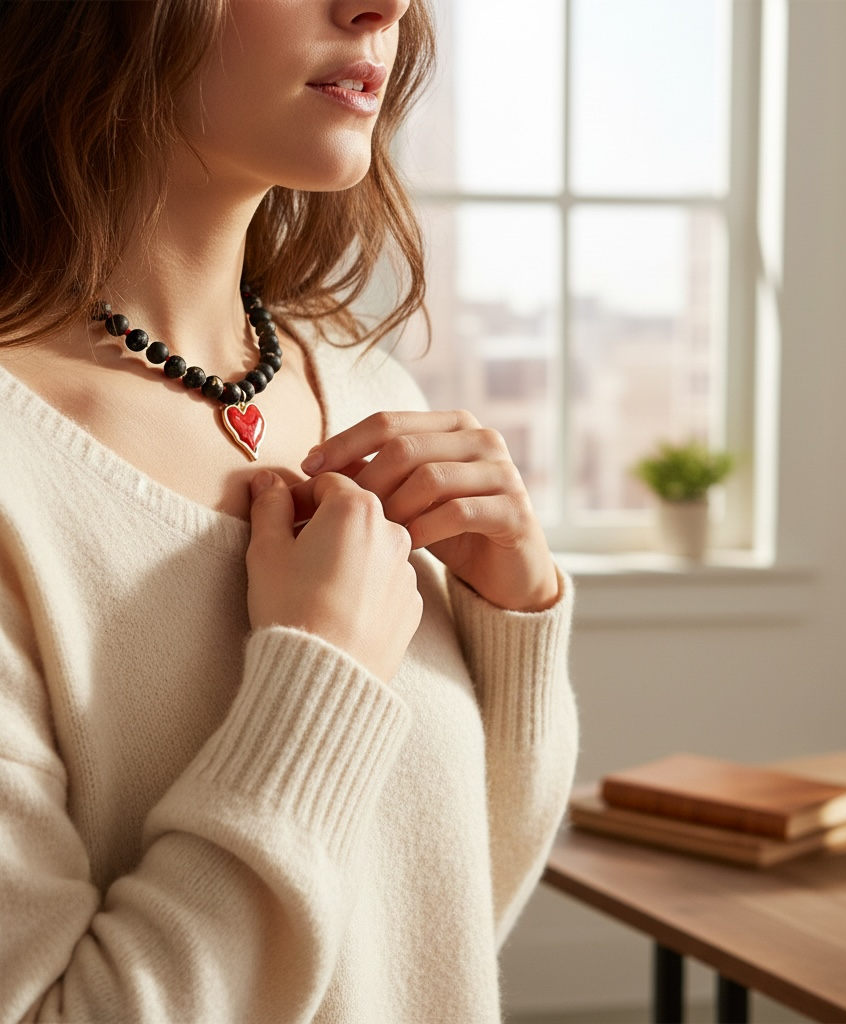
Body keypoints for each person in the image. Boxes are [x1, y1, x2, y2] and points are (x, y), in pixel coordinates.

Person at [0, 1, 578, 1021]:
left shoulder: (369, 390)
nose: (383, 7)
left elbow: (440, 920)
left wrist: (517, 619)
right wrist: (323, 678)